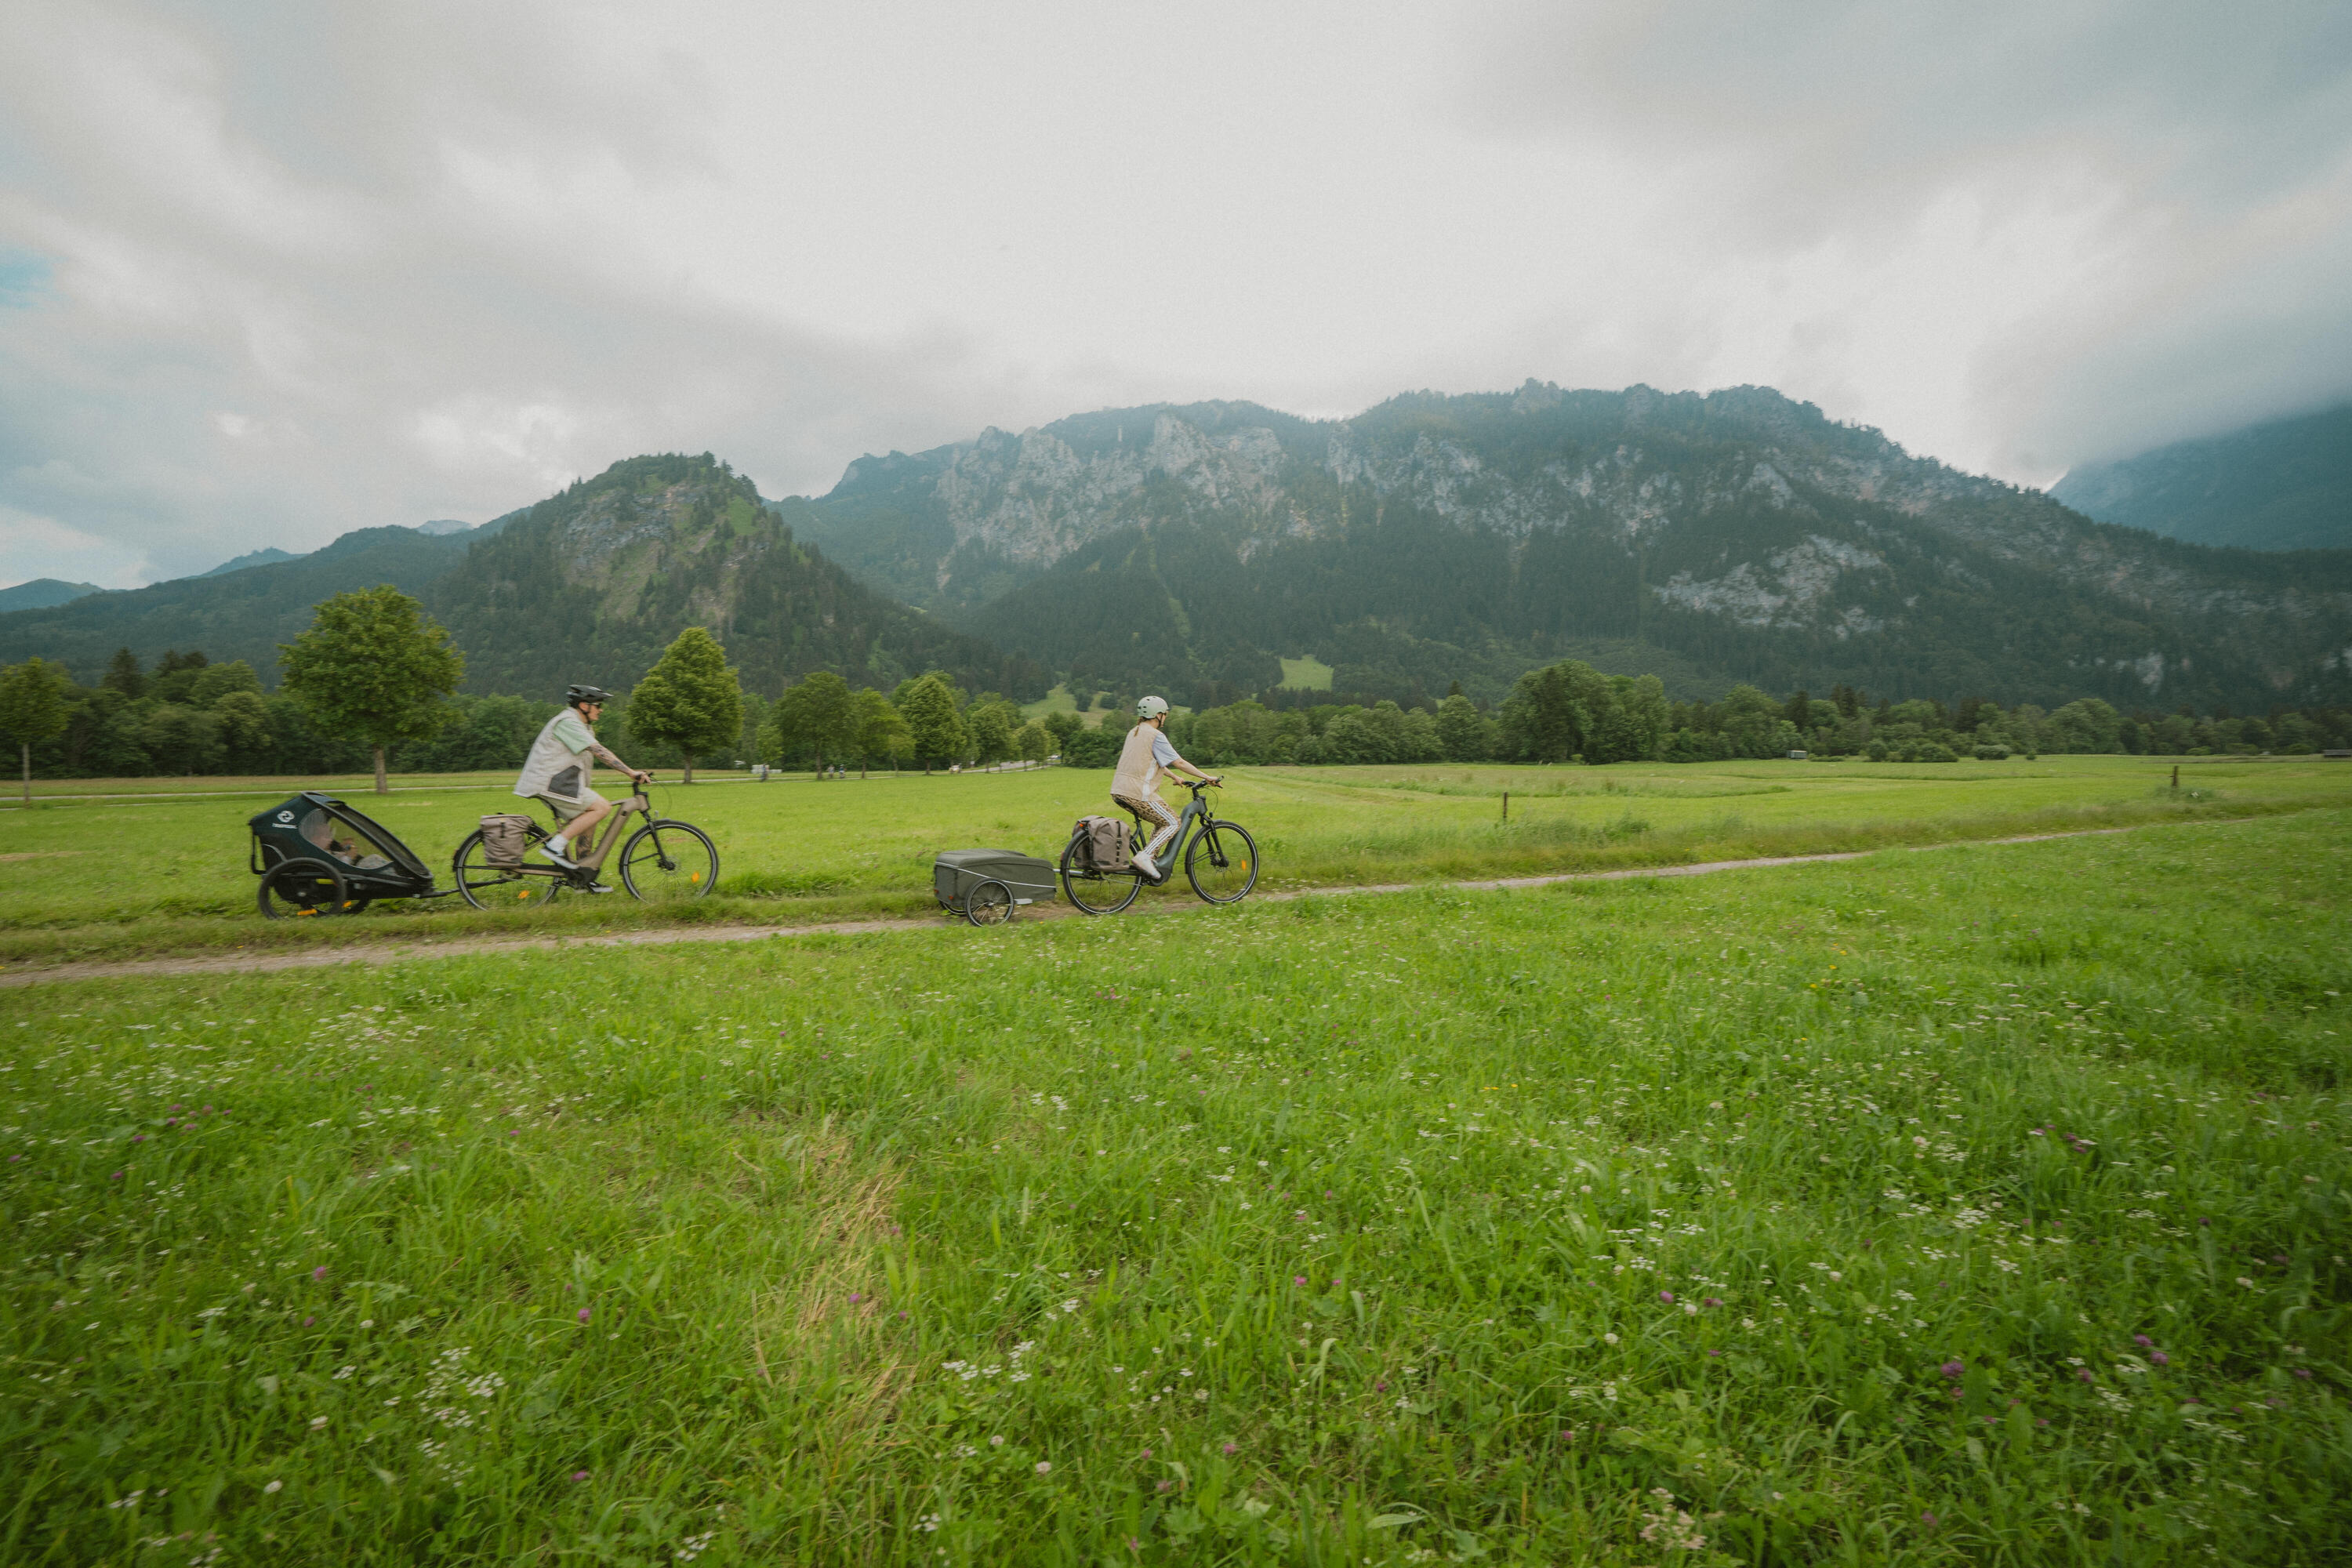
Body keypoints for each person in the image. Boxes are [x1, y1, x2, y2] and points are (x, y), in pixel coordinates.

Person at [514, 684, 651, 887]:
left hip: (558, 783)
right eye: (598, 705)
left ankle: (584, 874)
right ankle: (555, 846)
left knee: (590, 817)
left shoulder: (582, 725)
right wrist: (631, 772)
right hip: (550, 782)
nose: (601, 710)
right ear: (584, 706)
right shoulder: (568, 723)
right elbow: (599, 751)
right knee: (602, 807)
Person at [1111, 695, 1221, 880]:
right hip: (1138, 793)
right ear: (1158, 715)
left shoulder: (1134, 732)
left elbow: (1152, 761)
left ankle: (1150, 861)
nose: (1166, 718)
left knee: (1161, 821)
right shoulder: (1156, 736)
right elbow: (1179, 762)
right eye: (1165, 715)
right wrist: (1207, 777)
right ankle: (1145, 857)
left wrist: (1175, 777)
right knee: (1173, 822)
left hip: (1119, 790)